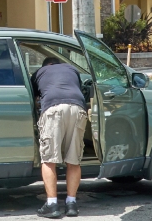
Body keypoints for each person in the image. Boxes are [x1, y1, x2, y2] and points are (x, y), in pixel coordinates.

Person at [32, 56, 88, 218]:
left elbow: (35, 97)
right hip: (77, 108)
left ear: (46, 66)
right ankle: (71, 204)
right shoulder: (71, 69)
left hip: (53, 109)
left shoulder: (39, 73)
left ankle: (52, 205)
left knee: (49, 160)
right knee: (73, 160)